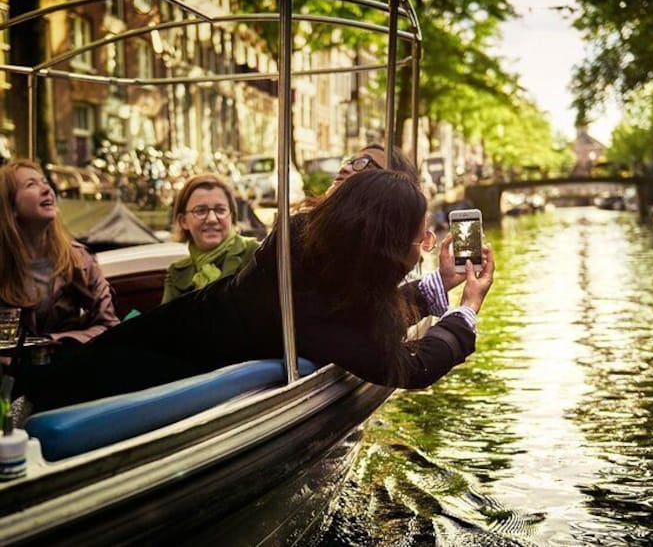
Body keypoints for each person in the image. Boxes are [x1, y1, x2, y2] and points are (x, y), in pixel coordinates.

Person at [18, 170, 495, 411]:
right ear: (382, 245)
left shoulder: (310, 243)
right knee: (54, 389)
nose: (428, 245)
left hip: (182, 328)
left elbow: (363, 312)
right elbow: (409, 366)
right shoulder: (322, 304)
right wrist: (469, 306)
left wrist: (441, 283)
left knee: (65, 375)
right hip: (173, 358)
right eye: (422, 238)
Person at [0, 159, 119, 349]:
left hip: (69, 368)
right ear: (11, 207)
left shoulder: (79, 259)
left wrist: (54, 340)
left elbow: (110, 325)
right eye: (31, 184)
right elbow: (4, 346)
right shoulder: (4, 266)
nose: (47, 190)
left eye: (45, 182)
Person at [161, 173, 260, 304]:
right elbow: (167, 323)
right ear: (183, 221)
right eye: (200, 211)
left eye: (220, 210)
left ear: (232, 216)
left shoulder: (256, 255)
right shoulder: (176, 273)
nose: (212, 219)